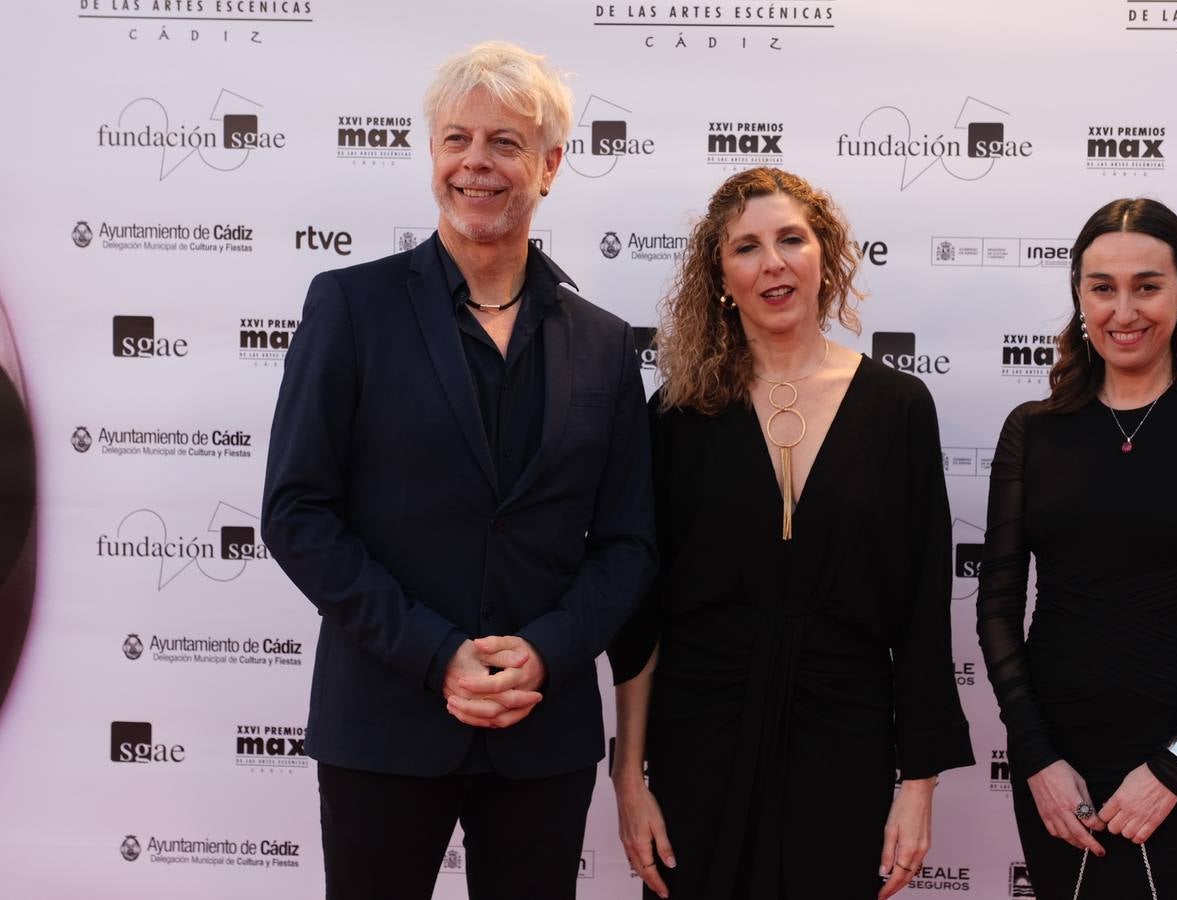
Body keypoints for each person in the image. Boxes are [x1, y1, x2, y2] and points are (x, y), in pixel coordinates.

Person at [261, 41, 656, 900]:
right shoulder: (350, 307)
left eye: (505, 143)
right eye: (456, 140)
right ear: (433, 154)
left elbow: (628, 544)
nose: (476, 163)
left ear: (550, 164)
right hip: (385, 720)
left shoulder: (605, 341)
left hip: (540, 735)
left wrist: (547, 654)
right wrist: (436, 654)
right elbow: (296, 512)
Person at [609, 167, 974, 900]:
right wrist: (629, 778)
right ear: (720, 277)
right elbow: (639, 617)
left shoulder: (899, 407)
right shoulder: (678, 418)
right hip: (700, 736)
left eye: (791, 239)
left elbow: (922, 609)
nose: (772, 262)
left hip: (845, 738)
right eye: (746, 248)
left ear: (825, 256)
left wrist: (918, 784)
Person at [976, 198, 1177, 900]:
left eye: (1147, 286)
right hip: (1052, 760)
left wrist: (1175, 766)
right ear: (1079, 295)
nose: (1124, 311)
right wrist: (1034, 755)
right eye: (1102, 288)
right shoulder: (1033, 431)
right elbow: (997, 609)